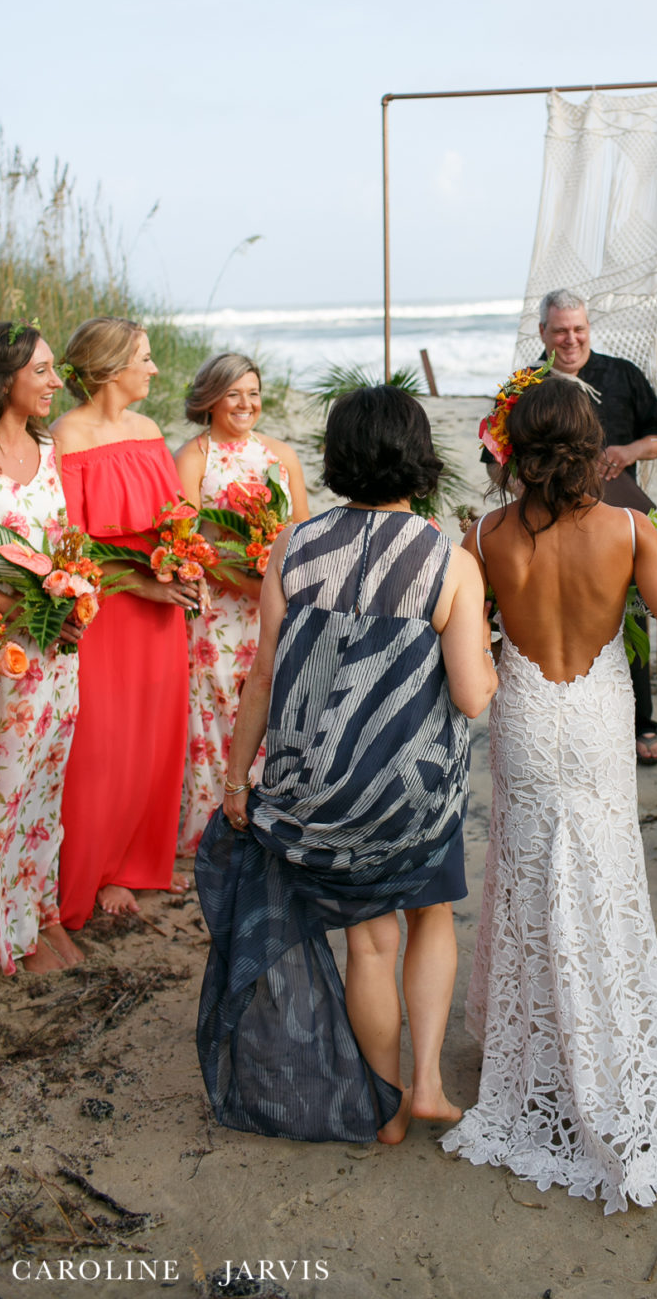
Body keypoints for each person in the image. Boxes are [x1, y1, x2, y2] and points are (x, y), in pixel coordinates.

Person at [443, 376, 657, 1211]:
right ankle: (605, 1038)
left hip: (528, 718)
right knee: (604, 873)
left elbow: (466, 637)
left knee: (528, 871)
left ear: (517, 450)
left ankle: (534, 1046)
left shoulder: (485, 535)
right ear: (590, 447)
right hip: (600, 719)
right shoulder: (630, 529)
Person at [196, 385, 495, 1145]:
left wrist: (237, 780)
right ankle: (429, 1084)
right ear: (419, 457)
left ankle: (384, 1105)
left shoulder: (294, 545)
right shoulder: (449, 559)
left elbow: (263, 675)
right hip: (411, 794)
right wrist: (491, 658)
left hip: (316, 794)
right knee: (430, 916)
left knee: (369, 941)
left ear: (338, 457)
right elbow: (471, 696)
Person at [53, 318, 197, 929]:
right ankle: (88, 868)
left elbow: (174, 522)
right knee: (99, 745)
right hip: (106, 610)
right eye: (145, 358)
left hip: (159, 614)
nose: (155, 368)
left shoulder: (148, 430)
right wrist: (143, 584)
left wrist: (186, 568)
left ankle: (131, 863)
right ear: (113, 368)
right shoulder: (66, 437)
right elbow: (71, 547)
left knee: (153, 736)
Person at [173, 353, 310, 855]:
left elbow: (302, 534)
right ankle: (210, 834)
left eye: (253, 393)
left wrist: (274, 586)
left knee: (273, 708)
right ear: (210, 399)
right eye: (233, 393)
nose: (246, 403)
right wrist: (245, 579)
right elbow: (185, 545)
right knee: (215, 714)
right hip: (218, 613)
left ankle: (268, 824)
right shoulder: (194, 457)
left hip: (274, 611)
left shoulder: (281, 455)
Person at [0, 323, 84, 974]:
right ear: (4, 379)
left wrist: (74, 600)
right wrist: (14, 611)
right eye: (42, 371)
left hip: (55, 649)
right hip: (1, 650)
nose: (56, 382)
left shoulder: (49, 448)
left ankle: (36, 914)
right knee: (2, 786)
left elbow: (63, 544)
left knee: (46, 781)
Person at [537, 288, 657, 763]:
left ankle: (642, 723)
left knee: (630, 615)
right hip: (551, 526)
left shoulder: (622, 374)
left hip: (615, 522)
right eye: (560, 331)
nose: (570, 340)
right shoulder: (525, 386)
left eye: (579, 329)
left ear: (589, 328)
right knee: (562, 620)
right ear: (543, 333)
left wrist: (629, 451)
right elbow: (496, 462)